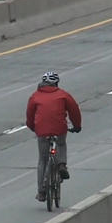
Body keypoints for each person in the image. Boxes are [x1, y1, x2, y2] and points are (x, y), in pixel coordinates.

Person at [26, 72, 82, 202]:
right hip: (59, 128)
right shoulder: (63, 95)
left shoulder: (35, 96)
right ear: (56, 83)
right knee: (61, 143)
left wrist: (32, 126)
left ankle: (41, 192)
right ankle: (62, 164)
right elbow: (74, 111)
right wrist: (77, 126)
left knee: (43, 160)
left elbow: (30, 114)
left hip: (42, 130)